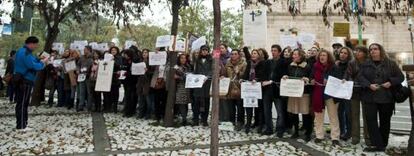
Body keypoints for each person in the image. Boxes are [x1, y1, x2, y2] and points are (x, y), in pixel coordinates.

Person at [358, 43, 404, 152]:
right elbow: (360, 77)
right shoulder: (366, 63)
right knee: (371, 121)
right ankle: (376, 144)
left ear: (380, 50)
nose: (373, 51)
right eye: (371, 49)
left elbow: (400, 77)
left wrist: (390, 82)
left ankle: (383, 143)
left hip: (386, 98)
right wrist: (369, 85)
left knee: (385, 121)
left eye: (375, 49)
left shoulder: (391, 63)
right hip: (370, 97)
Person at [13, 36, 47, 130]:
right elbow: (32, 65)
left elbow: (32, 61)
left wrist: (38, 59)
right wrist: (43, 63)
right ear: (31, 43)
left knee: (22, 103)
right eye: (35, 44)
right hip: (25, 80)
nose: (36, 46)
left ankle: (23, 123)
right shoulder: (25, 52)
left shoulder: (21, 51)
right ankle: (21, 126)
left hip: (22, 80)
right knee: (23, 103)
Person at [311, 49, 341, 146]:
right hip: (318, 93)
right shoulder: (315, 66)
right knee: (318, 116)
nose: (322, 57)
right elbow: (311, 76)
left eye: (324, 55)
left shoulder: (334, 67)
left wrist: (329, 80)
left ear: (328, 57)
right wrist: (311, 79)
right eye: (320, 55)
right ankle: (319, 135)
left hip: (331, 94)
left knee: (333, 116)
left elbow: (339, 79)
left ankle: (335, 137)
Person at [283, 49, 313, 142]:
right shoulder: (290, 66)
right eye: (293, 54)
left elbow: (311, 77)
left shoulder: (307, 66)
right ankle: (296, 131)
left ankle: (308, 132)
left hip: (304, 93)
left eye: (295, 54)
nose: (293, 56)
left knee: (306, 113)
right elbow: (288, 75)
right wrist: (285, 77)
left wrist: (307, 79)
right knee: (293, 113)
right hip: (293, 93)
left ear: (300, 56)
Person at [344, 46, 370, 145]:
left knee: (367, 115)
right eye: (356, 51)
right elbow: (348, 74)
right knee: (354, 115)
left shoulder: (369, 62)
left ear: (364, 52)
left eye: (360, 51)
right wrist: (349, 81)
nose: (357, 53)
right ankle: (355, 137)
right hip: (354, 91)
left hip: (366, 91)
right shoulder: (352, 62)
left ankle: (367, 137)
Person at [243, 49, 266, 134]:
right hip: (249, 88)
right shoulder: (249, 63)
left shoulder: (262, 63)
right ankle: (248, 125)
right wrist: (243, 79)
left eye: (255, 53)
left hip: (258, 88)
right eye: (252, 53)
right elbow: (246, 73)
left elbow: (263, 75)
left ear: (259, 55)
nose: (253, 55)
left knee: (259, 108)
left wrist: (256, 79)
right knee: (248, 106)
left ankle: (260, 126)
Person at [268, 45, 289, 137]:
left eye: (275, 50)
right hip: (268, 89)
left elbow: (286, 74)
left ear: (279, 52)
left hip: (278, 89)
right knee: (267, 110)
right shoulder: (268, 62)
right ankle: (269, 128)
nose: (273, 52)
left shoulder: (284, 62)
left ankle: (280, 129)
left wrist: (283, 77)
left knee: (280, 111)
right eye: (272, 50)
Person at [224, 49, 247, 131]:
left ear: (239, 55)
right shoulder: (228, 63)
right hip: (230, 88)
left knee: (240, 107)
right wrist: (223, 77)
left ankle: (240, 122)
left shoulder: (243, 64)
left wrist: (239, 73)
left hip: (239, 87)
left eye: (235, 54)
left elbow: (245, 76)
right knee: (231, 107)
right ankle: (232, 122)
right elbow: (225, 73)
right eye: (232, 54)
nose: (233, 55)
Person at [335, 47, 354, 141]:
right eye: (341, 52)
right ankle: (341, 130)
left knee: (348, 112)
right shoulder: (336, 64)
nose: (342, 54)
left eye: (345, 53)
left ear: (348, 55)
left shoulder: (351, 64)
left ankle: (349, 132)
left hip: (347, 91)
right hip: (338, 91)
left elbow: (352, 76)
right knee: (339, 112)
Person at [192, 45, 213, 126]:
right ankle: (196, 119)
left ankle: (204, 120)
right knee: (196, 102)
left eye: (206, 50)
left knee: (206, 102)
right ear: (201, 51)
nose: (204, 51)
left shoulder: (211, 60)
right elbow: (195, 71)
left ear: (208, 51)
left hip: (207, 83)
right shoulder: (197, 60)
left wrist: (207, 77)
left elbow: (212, 70)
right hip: (198, 83)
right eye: (203, 50)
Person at [175, 54, 192, 126]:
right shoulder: (176, 67)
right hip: (179, 87)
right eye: (181, 58)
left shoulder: (188, 67)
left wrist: (179, 77)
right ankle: (184, 118)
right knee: (181, 103)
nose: (183, 59)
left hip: (187, 87)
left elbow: (188, 77)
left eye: (184, 58)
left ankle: (185, 118)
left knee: (185, 103)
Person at [137, 49, 154, 119]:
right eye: (143, 52)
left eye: (146, 52)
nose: (144, 54)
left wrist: (147, 71)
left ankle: (148, 114)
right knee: (141, 99)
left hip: (148, 83)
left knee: (148, 100)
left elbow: (153, 73)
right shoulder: (140, 62)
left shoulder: (151, 62)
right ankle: (141, 113)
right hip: (140, 82)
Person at [122, 49, 139, 117]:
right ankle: (127, 111)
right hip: (126, 81)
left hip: (133, 81)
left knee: (132, 96)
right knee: (127, 96)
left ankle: (131, 111)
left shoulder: (135, 60)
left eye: (126, 54)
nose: (124, 55)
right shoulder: (125, 60)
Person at [76, 46, 93, 111]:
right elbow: (78, 65)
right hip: (81, 76)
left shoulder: (92, 57)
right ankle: (81, 105)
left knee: (89, 92)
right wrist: (77, 70)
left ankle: (89, 106)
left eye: (85, 49)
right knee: (81, 92)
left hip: (89, 77)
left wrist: (88, 72)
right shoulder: (82, 57)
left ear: (89, 50)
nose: (84, 51)